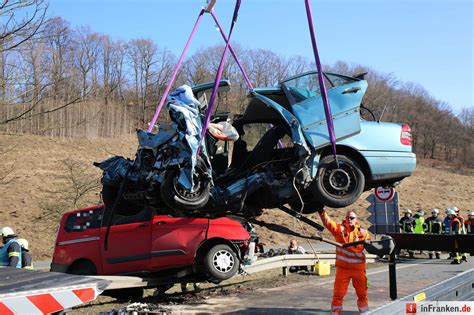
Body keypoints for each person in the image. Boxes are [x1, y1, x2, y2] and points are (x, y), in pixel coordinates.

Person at [318, 207, 371, 314]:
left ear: (356, 219)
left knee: (362, 294)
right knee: (338, 294)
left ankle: (364, 312)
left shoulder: (363, 233)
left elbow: (372, 246)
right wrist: (321, 211)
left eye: (351, 217)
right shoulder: (339, 230)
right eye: (347, 217)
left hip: (359, 270)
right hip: (343, 269)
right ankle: (336, 312)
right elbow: (328, 223)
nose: (349, 219)